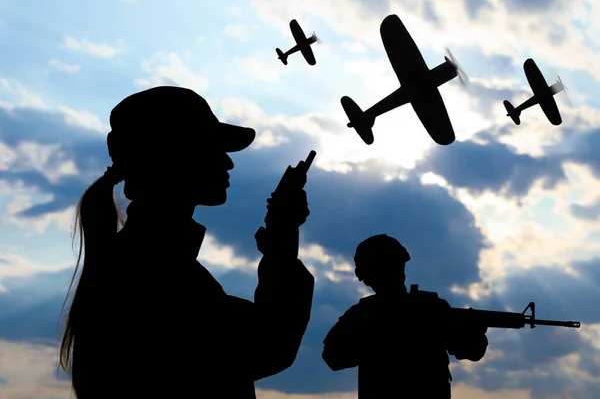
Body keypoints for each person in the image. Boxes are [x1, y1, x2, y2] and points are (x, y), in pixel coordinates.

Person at [57, 86, 315, 398]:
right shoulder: (156, 272)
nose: (228, 163)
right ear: (174, 155)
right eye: (213, 148)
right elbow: (266, 346)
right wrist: (283, 240)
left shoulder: (138, 261)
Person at [322, 234, 488, 398]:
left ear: (364, 277)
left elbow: (333, 357)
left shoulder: (361, 314)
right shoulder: (430, 307)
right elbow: (333, 357)